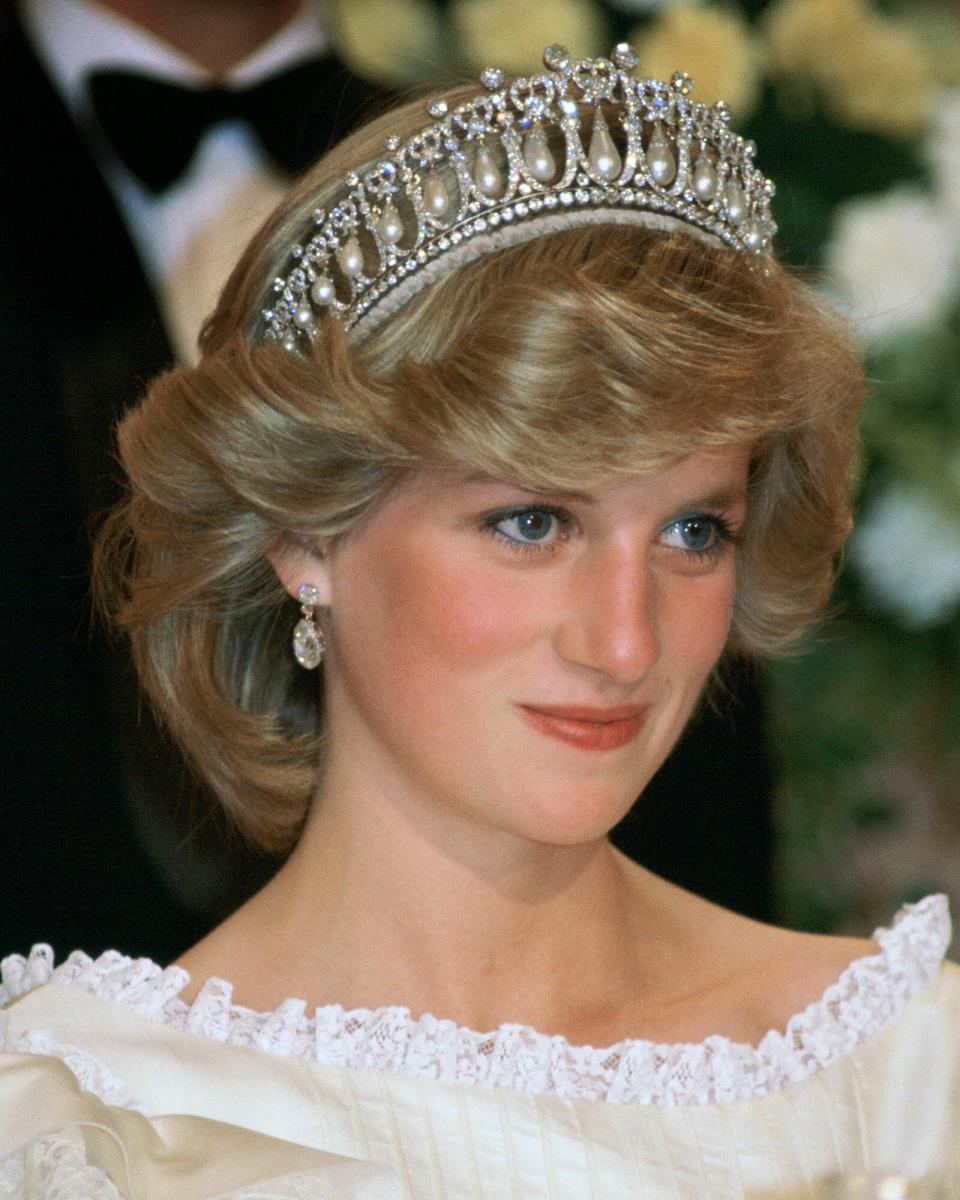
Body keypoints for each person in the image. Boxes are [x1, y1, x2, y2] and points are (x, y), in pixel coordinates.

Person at [2, 42, 957, 1198]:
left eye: (693, 533)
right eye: (532, 523)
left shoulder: (905, 1080)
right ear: (305, 534)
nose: (625, 644)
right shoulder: (88, 1126)